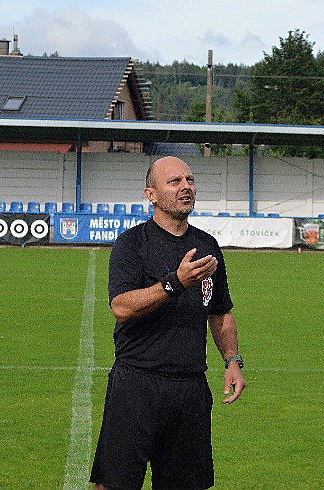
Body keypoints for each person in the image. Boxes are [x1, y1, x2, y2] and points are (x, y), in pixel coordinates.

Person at [90, 156, 246, 490]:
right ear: (151, 194)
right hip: (136, 383)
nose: (186, 187)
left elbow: (219, 311)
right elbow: (121, 307)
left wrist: (232, 359)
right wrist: (175, 283)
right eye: (174, 181)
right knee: (114, 484)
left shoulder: (207, 246)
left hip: (190, 388)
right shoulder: (132, 244)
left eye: (190, 180)